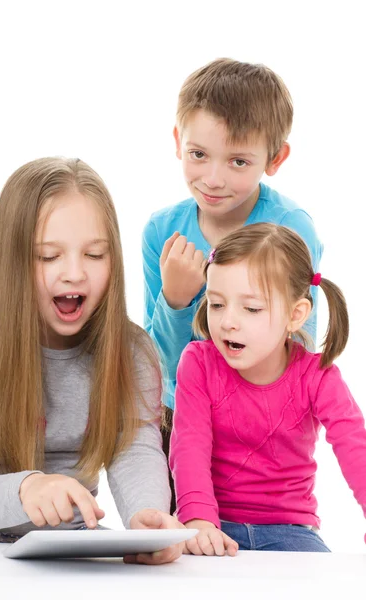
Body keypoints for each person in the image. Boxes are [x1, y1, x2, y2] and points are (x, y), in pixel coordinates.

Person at [0, 157, 184, 565]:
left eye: (94, 254)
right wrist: (26, 490)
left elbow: (135, 451)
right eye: (49, 256)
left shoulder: (131, 352)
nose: (74, 273)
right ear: (11, 261)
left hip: (71, 551)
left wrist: (149, 516)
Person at [142, 58, 323, 511]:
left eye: (239, 161)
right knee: (180, 538)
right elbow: (154, 360)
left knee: (261, 534)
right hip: (178, 415)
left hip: (261, 416)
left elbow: (298, 342)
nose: (214, 178)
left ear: (275, 158)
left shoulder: (289, 227)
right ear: (178, 141)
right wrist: (177, 301)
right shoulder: (162, 231)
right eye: (198, 154)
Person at [170, 222, 366, 554]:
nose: (228, 321)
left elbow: (355, 447)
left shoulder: (318, 376)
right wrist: (199, 521)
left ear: (296, 314)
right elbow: (189, 446)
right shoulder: (198, 362)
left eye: (251, 309)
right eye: (216, 304)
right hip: (213, 524)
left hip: (290, 531)